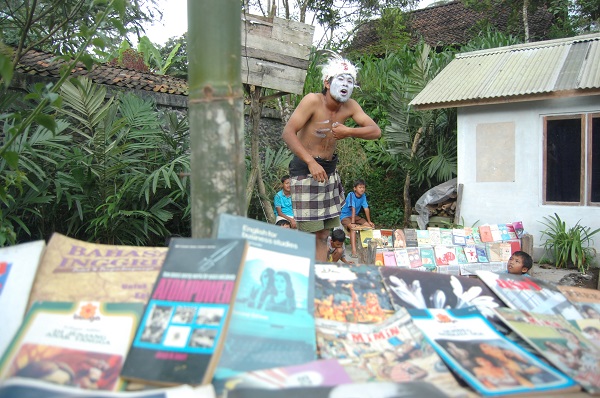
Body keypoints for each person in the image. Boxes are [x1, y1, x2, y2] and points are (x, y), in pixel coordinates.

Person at [282, 53, 381, 262]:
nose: (346, 85)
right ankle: (302, 276)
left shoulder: (350, 106)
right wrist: (310, 162)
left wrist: (349, 132)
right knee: (308, 234)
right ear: (327, 82)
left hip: (329, 173)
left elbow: (375, 131)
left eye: (350, 81)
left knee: (324, 234)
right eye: (340, 80)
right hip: (305, 172)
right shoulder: (312, 101)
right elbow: (288, 133)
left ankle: (318, 277)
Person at [340, 179, 375, 258]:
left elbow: (366, 208)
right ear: (355, 188)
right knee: (353, 228)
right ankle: (354, 252)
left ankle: (367, 248)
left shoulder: (363, 196)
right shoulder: (351, 195)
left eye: (363, 187)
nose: (362, 189)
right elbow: (353, 208)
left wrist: (369, 221)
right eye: (360, 187)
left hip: (355, 216)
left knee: (368, 226)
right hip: (345, 216)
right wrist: (352, 223)